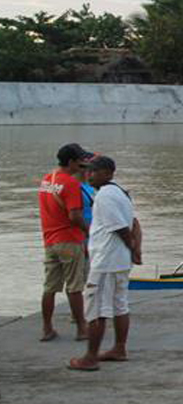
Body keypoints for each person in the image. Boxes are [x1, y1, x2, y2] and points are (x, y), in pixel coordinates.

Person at [69, 156, 139, 371]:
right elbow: (134, 223)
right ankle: (119, 348)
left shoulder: (105, 197)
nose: (89, 175)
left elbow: (120, 228)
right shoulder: (119, 192)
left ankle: (90, 357)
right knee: (120, 305)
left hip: (106, 261)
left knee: (97, 309)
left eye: (94, 171)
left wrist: (131, 246)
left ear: (108, 173)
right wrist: (135, 250)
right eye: (88, 171)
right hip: (118, 260)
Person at [38, 143, 92, 342]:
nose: (83, 164)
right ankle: (82, 329)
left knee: (50, 287)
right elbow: (75, 216)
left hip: (50, 240)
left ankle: (47, 328)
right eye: (80, 160)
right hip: (69, 240)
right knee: (75, 286)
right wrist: (88, 232)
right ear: (71, 162)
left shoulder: (47, 179)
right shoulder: (71, 184)